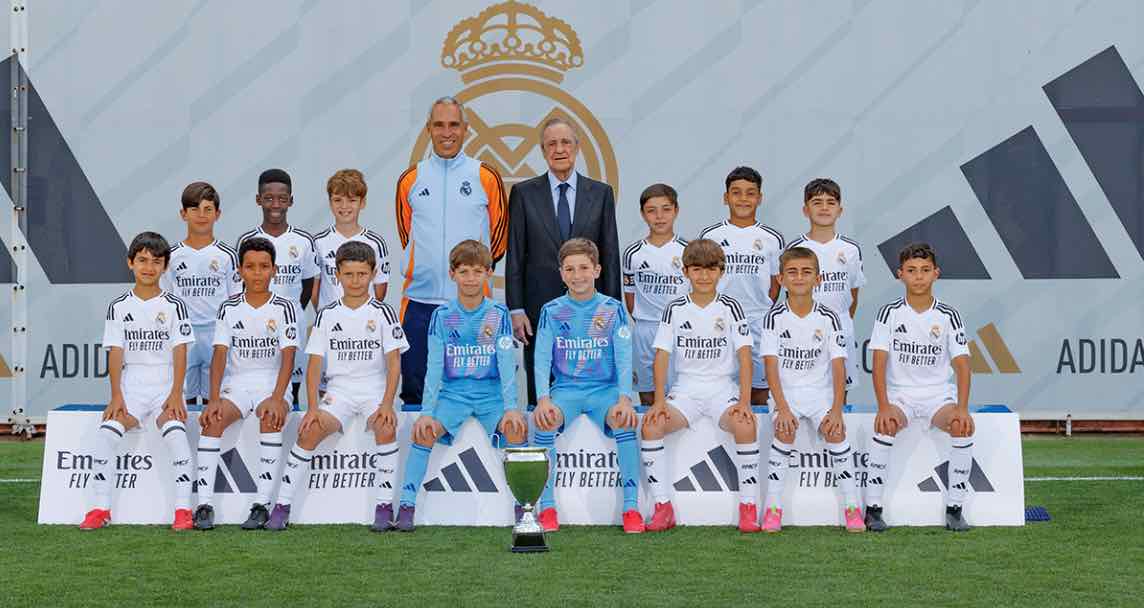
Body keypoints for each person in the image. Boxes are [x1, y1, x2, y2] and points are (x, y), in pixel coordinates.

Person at [266, 241, 408, 531]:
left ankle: (384, 508)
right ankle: (281, 506)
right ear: (337, 275)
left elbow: (394, 363)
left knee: (386, 427)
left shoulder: (383, 312)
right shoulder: (327, 313)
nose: (356, 281)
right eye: (349, 274)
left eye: (362, 274)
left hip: (374, 390)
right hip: (339, 391)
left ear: (373, 274)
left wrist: (387, 403)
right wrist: (312, 408)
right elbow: (314, 364)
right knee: (308, 431)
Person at [395, 240, 528, 532]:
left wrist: (511, 408)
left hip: (491, 396)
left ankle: (525, 508)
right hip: (453, 396)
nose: (470, 278)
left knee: (516, 430)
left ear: (488, 273)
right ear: (452, 274)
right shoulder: (442, 316)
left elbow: (507, 365)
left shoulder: (498, 314)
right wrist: (427, 412)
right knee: (424, 431)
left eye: (477, 272)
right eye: (464, 271)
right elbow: (434, 368)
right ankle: (406, 505)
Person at [395, 96, 508, 406]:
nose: (447, 133)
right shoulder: (410, 179)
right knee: (416, 392)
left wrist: (471, 277)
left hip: (473, 306)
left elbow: (498, 239)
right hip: (419, 304)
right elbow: (407, 235)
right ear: (428, 129)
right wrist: (425, 266)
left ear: (466, 129)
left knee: (477, 392)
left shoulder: (485, 176)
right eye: (439, 125)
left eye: (454, 125)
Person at [640, 239, 758, 533]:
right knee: (651, 426)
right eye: (697, 269)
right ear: (686, 272)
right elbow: (661, 357)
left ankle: (749, 507)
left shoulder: (731, 307)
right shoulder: (675, 308)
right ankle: (662, 507)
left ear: (721, 271)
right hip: (686, 390)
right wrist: (659, 401)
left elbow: (745, 357)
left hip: (722, 389)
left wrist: (744, 401)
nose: (704, 275)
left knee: (745, 426)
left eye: (711, 269)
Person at [80, 232, 196, 530]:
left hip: (166, 386)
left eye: (156, 261)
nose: (149, 267)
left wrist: (176, 393)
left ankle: (183, 510)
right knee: (106, 435)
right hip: (132, 387)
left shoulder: (174, 304)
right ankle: (100, 508)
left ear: (165, 267)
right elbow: (115, 353)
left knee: (177, 436)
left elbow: (180, 350)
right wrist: (116, 395)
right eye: (142, 260)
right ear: (130, 263)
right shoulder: (119, 306)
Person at [506, 116, 622, 404]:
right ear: (543, 150)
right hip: (539, 309)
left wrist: (613, 309)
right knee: (542, 393)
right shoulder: (523, 193)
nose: (559, 149)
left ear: (577, 147)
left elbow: (609, 255)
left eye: (566, 142)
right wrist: (516, 308)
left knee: (592, 386)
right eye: (552, 144)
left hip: (591, 312)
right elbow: (515, 254)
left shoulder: (601, 193)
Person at [532, 238, 644, 534]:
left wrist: (624, 399)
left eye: (583, 268)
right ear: (561, 273)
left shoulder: (612, 308)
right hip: (566, 390)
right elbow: (541, 357)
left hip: (604, 391)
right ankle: (547, 508)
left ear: (597, 270)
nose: (577, 275)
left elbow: (623, 356)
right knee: (544, 421)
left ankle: (631, 507)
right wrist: (543, 399)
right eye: (570, 269)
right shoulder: (552, 310)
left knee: (624, 420)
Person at [192, 237, 299, 531]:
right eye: (250, 267)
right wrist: (213, 398)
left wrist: (277, 397)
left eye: (264, 266)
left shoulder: (284, 307)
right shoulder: (228, 308)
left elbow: (288, 357)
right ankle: (204, 505)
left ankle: (262, 505)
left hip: (272, 384)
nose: (257, 273)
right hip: (237, 384)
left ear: (274, 270)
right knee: (212, 421)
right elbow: (219, 355)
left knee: (270, 418)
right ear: (239, 271)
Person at [866, 243, 974, 532]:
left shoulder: (948, 315)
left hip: (938, 396)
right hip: (900, 395)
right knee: (885, 425)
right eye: (911, 270)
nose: (918, 276)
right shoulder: (889, 313)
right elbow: (878, 363)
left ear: (936, 273)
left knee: (962, 426)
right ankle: (873, 509)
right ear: (900, 274)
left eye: (925, 270)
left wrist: (962, 408)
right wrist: (884, 406)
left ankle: (955, 509)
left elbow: (963, 365)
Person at [759, 247, 864, 533]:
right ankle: (773, 508)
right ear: (780, 279)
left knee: (836, 432)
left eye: (806, 272)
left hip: (821, 394)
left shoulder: (829, 317)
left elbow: (839, 366)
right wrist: (782, 408)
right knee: (784, 431)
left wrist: (836, 410)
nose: (799, 277)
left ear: (818, 279)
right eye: (792, 272)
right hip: (786, 395)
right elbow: (771, 367)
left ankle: (852, 507)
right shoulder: (773, 317)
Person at [697, 166, 784, 405]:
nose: (743, 199)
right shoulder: (711, 235)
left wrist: (760, 308)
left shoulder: (772, 238)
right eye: (736, 192)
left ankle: (755, 430)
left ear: (760, 198)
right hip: (720, 320)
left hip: (758, 321)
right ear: (726, 198)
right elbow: (701, 279)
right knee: (719, 388)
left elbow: (775, 284)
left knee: (759, 390)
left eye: (750, 193)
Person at [235, 169, 319, 404]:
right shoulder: (246, 240)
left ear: (291, 201)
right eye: (269, 198)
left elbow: (308, 283)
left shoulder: (303, 241)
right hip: (256, 325)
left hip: (293, 323)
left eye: (282, 198)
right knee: (259, 380)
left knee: (293, 384)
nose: (275, 204)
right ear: (258, 200)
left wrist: (290, 311)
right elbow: (241, 284)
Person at [161, 182, 242, 404]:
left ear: (218, 214)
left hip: (217, 336)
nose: (201, 215)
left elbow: (235, 301)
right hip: (183, 336)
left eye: (208, 209)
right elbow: (166, 300)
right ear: (183, 214)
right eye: (194, 209)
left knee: (213, 401)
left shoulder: (227, 255)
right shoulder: (172, 256)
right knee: (180, 401)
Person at [785, 178, 866, 391]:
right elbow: (790, 294)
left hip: (841, 330)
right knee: (801, 389)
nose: (824, 208)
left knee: (841, 392)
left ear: (840, 210)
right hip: (802, 332)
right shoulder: (795, 248)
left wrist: (839, 321)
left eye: (830, 202)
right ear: (805, 210)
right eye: (817, 202)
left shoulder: (850, 249)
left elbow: (853, 294)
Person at [622, 184, 689, 405]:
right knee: (648, 394)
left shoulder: (687, 250)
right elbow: (630, 297)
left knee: (679, 394)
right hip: (646, 330)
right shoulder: (633, 253)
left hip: (679, 330)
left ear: (676, 210)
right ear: (643, 214)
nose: (659, 217)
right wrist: (644, 320)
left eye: (666, 209)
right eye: (652, 211)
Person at [312, 169, 390, 310]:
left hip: (366, 319)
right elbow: (314, 292)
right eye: (338, 200)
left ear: (362, 203)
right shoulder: (318, 242)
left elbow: (380, 291)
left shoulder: (375, 243)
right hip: (330, 320)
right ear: (330, 203)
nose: (344, 206)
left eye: (352, 200)